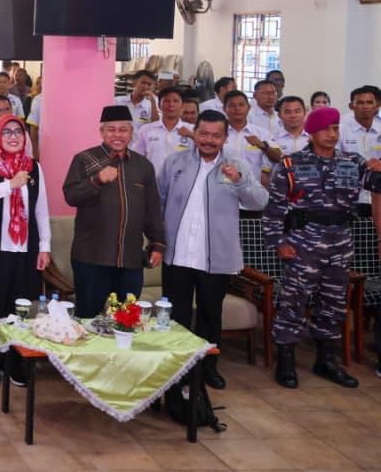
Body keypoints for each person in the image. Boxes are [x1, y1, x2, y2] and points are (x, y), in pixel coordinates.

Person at [265, 106, 381, 389]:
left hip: (340, 244)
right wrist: (278, 243)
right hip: (303, 244)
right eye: (326, 129)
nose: (332, 134)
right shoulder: (291, 164)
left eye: (336, 128)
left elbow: (376, 183)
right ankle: (286, 361)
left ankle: (326, 361)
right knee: (293, 302)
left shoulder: (352, 162)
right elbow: (274, 210)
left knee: (334, 302)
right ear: (311, 132)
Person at [158, 110, 268, 390]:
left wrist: (240, 180)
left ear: (225, 137)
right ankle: (178, 367)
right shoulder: (175, 163)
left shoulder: (237, 165)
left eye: (215, 135)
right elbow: (159, 200)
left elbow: (259, 202)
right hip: (177, 255)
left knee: (210, 314)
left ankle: (208, 367)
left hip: (216, 257)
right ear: (194, 133)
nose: (208, 140)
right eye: (203, 133)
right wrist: (157, 241)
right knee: (177, 314)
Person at [0, 115, 51, 388]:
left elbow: (41, 210)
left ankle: (18, 367)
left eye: (18, 132)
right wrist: (10, 185)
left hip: (25, 250)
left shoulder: (34, 168)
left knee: (22, 310)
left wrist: (45, 247)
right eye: (7, 132)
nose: (13, 137)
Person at [61, 105, 166, 318]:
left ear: (131, 132)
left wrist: (157, 244)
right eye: (111, 129)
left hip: (130, 258)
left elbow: (152, 208)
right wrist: (97, 179)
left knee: (125, 320)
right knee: (88, 319)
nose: (117, 135)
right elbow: (71, 196)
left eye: (123, 129)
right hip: (91, 258)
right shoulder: (85, 159)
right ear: (102, 132)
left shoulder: (143, 166)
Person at [131, 86, 194, 177]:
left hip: (183, 181)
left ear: (183, 106)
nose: (171, 104)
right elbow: (135, 157)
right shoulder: (146, 130)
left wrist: (191, 135)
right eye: (166, 101)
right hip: (153, 181)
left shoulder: (192, 130)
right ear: (159, 105)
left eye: (175, 101)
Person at [340, 85, 381, 219]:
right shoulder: (341, 131)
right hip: (351, 198)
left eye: (369, 102)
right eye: (360, 103)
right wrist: (362, 164)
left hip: (378, 197)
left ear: (377, 105)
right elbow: (334, 160)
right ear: (351, 106)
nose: (365, 107)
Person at [222, 90, 269, 186]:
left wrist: (262, 145)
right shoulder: (217, 133)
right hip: (222, 186)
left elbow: (277, 156)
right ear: (224, 108)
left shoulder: (262, 133)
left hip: (251, 187)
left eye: (241, 105)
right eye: (232, 105)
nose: (237, 108)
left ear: (249, 107)